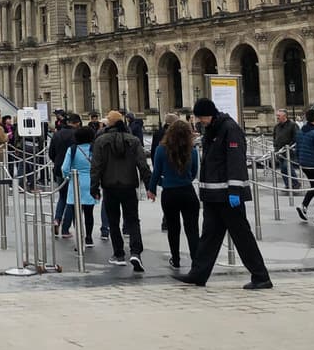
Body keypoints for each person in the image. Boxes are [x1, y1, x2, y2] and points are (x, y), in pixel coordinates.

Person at [174, 98, 272, 290]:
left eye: (201, 117)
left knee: (242, 237)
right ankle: (198, 274)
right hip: (213, 195)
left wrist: (235, 190)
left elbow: (235, 161)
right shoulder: (213, 129)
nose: (199, 121)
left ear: (209, 114)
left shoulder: (230, 129)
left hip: (227, 195)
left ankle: (261, 276)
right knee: (209, 236)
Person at [90, 110, 151, 271]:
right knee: (132, 220)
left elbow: (96, 167)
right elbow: (143, 165)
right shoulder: (134, 140)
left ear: (108, 124)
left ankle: (118, 254)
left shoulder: (101, 141)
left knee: (113, 221)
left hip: (110, 186)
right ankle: (136, 252)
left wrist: (94, 187)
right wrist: (150, 185)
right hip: (129, 185)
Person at [149, 119, 201, 270]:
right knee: (192, 228)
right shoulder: (192, 150)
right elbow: (194, 172)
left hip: (169, 193)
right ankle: (196, 260)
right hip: (187, 191)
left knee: (173, 228)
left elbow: (156, 172)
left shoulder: (161, 149)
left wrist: (152, 188)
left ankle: (176, 259)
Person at [59, 126, 97, 246]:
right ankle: (89, 237)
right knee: (89, 213)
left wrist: (68, 176)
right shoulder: (94, 149)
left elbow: (64, 168)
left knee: (77, 213)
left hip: (76, 181)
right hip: (91, 182)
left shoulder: (73, 149)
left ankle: (80, 235)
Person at [48, 114, 81, 235]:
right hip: (73, 170)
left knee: (62, 197)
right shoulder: (77, 135)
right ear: (77, 123)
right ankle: (66, 229)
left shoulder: (57, 134)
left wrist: (57, 161)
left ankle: (57, 219)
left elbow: (51, 153)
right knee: (72, 199)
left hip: (58, 169)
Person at [272, 109, 300, 190]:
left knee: (286, 166)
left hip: (288, 151)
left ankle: (295, 183)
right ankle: (288, 184)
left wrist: (290, 147)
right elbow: (274, 137)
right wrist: (275, 147)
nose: (277, 117)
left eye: (279, 116)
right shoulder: (276, 127)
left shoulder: (293, 125)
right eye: (277, 115)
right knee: (283, 168)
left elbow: (296, 137)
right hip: (279, 151)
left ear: (284, 116)